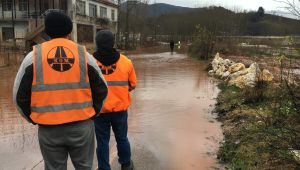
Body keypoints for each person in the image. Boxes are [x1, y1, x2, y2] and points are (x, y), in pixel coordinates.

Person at [13, 11, 108, 170]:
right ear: (69, 31)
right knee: (85, 167)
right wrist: (93, 113)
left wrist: (34, 118)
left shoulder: (33, 57)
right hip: (82, 126)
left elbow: (19, 96)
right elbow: (102, 89)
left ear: (46, 31)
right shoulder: (84, 55)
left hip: (48, 129)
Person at [93, 30, 137, 170]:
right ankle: (126, 164)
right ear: (113, 43)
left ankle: (104, 168)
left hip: (99, 111)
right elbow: (133, 84)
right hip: (120, 110)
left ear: (97, 43)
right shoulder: (126, 62)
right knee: (122, 138)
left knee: (102, 142)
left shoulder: (90, 62)